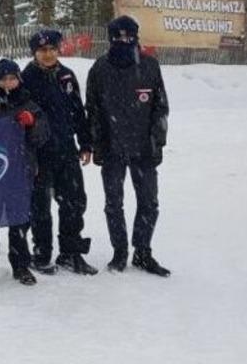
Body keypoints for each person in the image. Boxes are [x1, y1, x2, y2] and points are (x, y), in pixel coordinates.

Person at [86, 15, 171, 277]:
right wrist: (98, 143)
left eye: (129, 36)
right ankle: (119, 252)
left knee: (149, 202)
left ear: (136, 36)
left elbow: (160, 107)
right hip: (112, 149)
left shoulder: (149, 66)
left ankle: (143, 252)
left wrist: (157, 142)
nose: (124, 40)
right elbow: (93, 110)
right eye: (119, 36)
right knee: (114, 203)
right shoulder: (100, 69)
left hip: (144, 148)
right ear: (111, 38)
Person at [21, 30, 98, 275]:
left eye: (52, 49)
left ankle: (71, 252)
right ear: (35, 53)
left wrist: (85, 143)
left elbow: (78, 111)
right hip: (39, 153)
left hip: (66, 150)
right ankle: (42, 253)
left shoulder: (67, 75)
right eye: (43, 50)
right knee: (40, 206)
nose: (48, 54)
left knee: (74, 202)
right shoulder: (26, 78)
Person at [0, 59, 50, 286]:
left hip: (20, 169)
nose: (8, 83)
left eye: (12, 78)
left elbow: (42, 135)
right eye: (3, 78)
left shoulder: (29, 103)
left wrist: (32, 122)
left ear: (19, 79)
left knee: (18, 221)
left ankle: (21, 266)